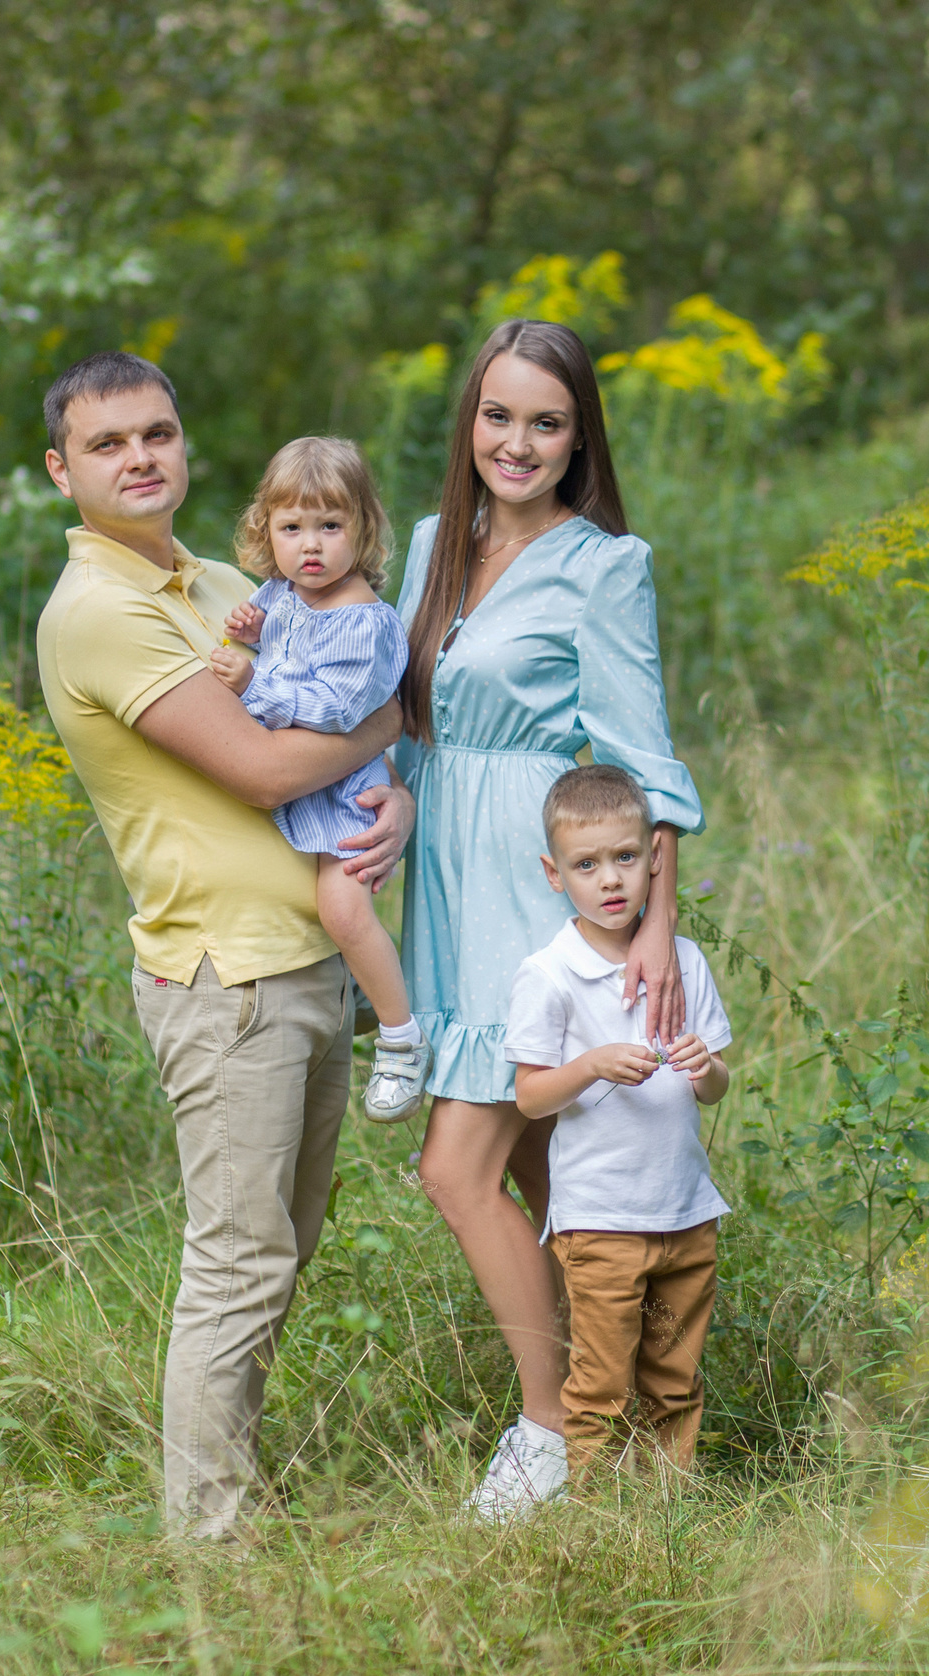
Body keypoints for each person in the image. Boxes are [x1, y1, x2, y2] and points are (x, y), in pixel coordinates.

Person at [32, 351, 413, 1540]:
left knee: (282, 1252)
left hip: (307, 958)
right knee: (240, 1261)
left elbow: (324, 737)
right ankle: (207, 1547)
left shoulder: (222, 584)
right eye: (106, 444)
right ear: (61, 472)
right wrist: (402, 715)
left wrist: (393, 795)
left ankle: (229, 1488)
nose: (139, 458)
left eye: (156, 433)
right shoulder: (100, 613)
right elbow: (259, 768)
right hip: (225, 977)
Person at [392, 319, 704, 1519]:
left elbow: (641, 758)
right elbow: (401, 723)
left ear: (579, 440)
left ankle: (547, 1432)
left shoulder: (603, 565)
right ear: (468, 421)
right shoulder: (433, 543)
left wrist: (655, 924)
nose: (515, 443)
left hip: (529, 888)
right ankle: (625, 1412)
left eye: (545, 422)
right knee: (549, 1172)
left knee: (453, 1168)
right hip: (441, 883)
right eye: (496, 415)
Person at [505, 765, 731, 1500]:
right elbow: (530, 1097)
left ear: (654, 858)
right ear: (554, 873)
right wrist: (593, 1064)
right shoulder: (551, 974)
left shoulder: (683, 961)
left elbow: (718, 1085)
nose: (610, 879)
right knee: (601, 1382)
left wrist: (704, 1067)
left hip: (685, 1210)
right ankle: (599, 1514)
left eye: (626, 857)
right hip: (601, 1218)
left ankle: (669, 1508)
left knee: (675, 1378)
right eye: (586, 864)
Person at [205, 437, 428, 1123]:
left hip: (341, 795)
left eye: (330, 526)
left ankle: (401, 1038)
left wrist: (254, 679)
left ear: (363, 528)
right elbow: (278, 637)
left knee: (342, 908)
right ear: (265, 530)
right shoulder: (283, 594)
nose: (310, 546)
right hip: (304, 787)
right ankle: (359, 983)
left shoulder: (363, 620)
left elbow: (337, 709)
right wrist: (253, 627)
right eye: (291, 527)